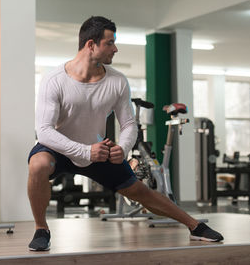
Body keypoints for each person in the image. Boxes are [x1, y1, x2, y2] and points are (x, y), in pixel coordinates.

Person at [27, 16, 224, 251]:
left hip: (97, 149)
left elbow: (129, 123)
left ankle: (194, 226)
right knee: (38, 165)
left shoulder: (117, 81)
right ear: (91, 45)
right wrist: (85, 151)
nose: (115, 48)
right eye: (110, 43)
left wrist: (123, 147)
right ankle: (41, 229)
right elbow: (45, 132)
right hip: (59, 148)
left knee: (140, 191)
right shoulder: (54, 79)